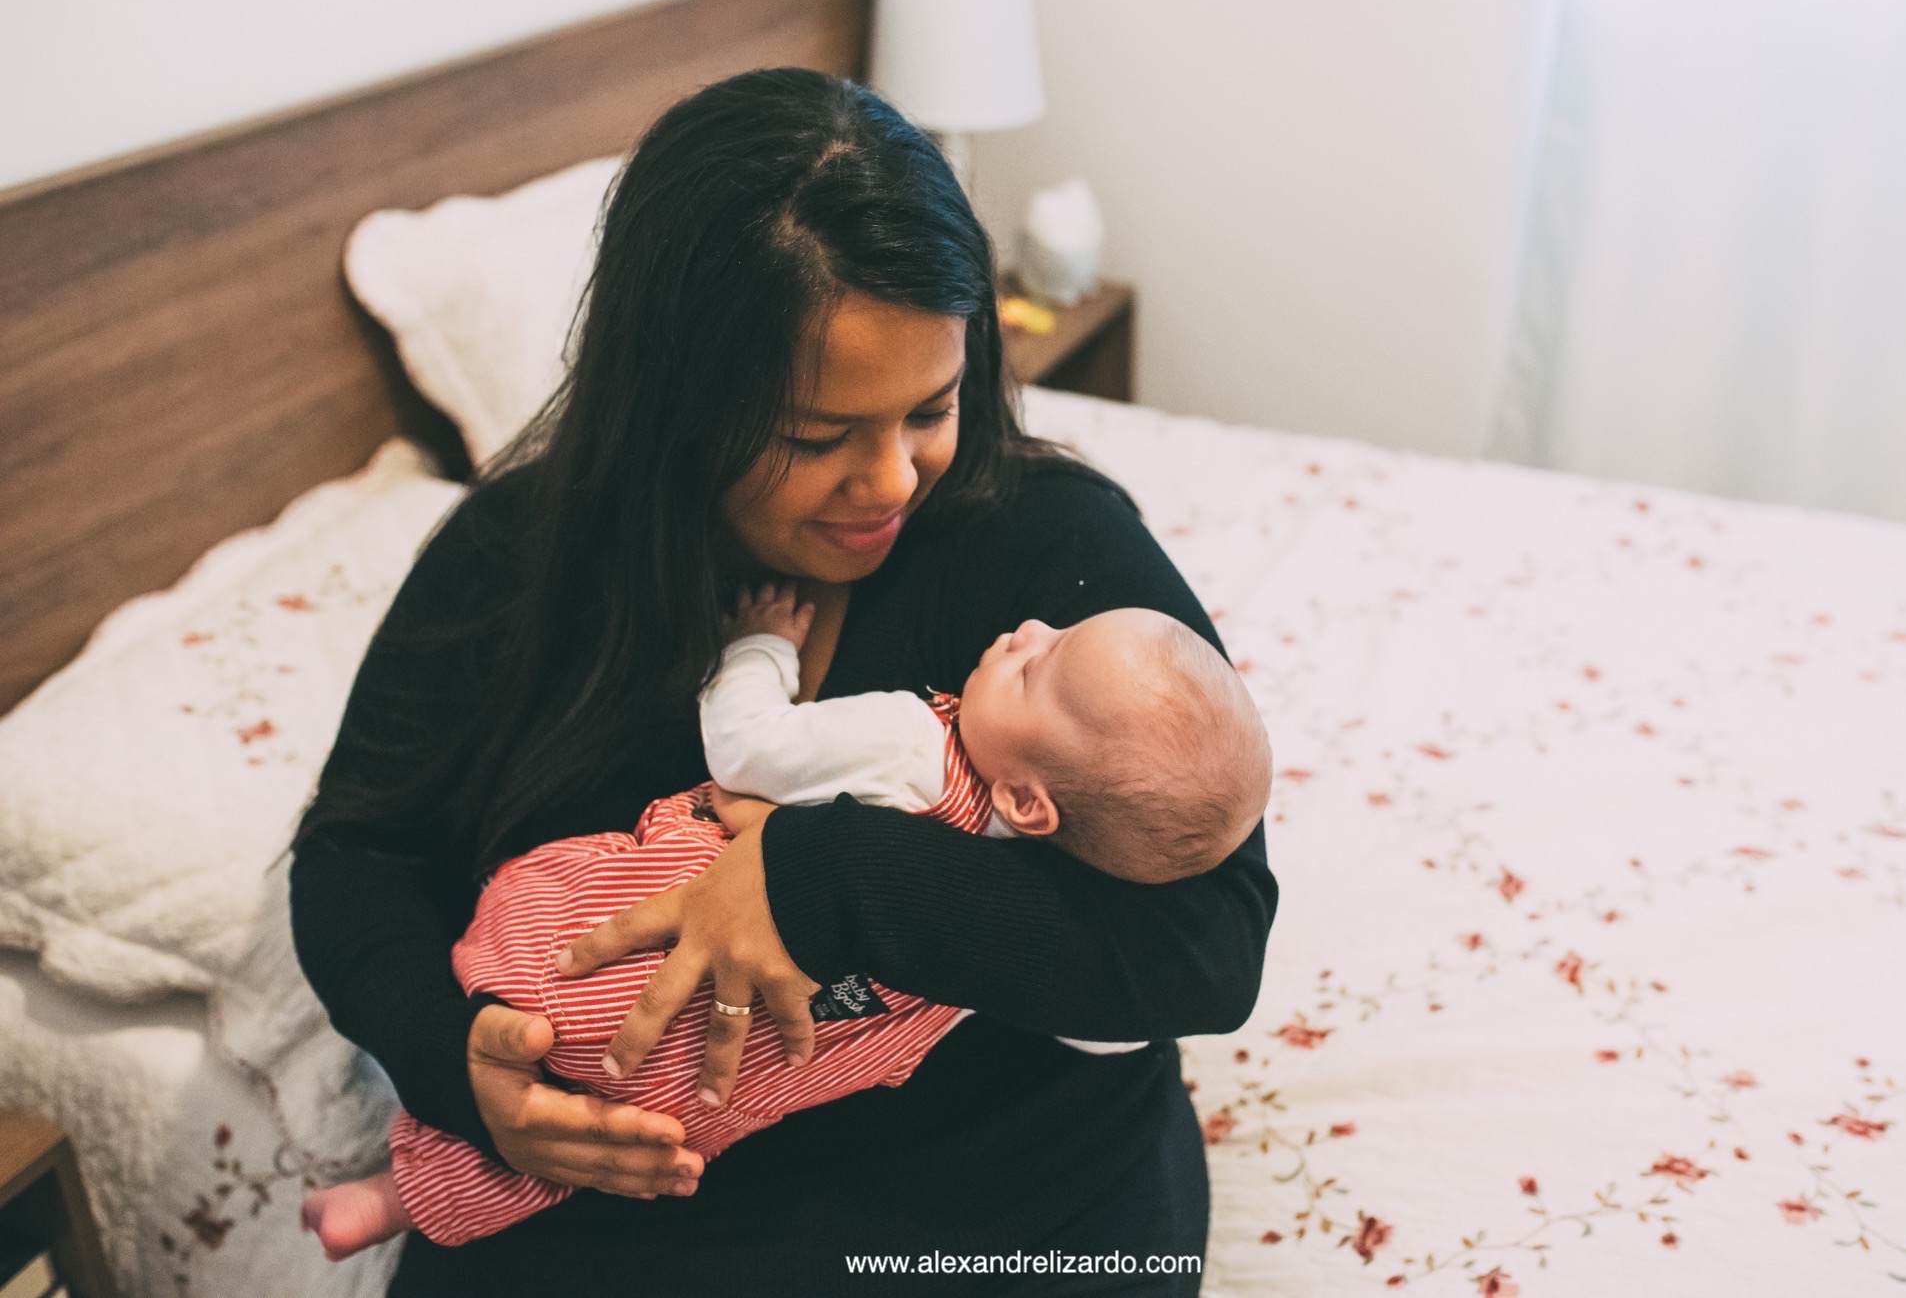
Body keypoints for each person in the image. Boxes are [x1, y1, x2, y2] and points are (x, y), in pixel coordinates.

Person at [289, 66, 1278, 1295]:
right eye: (816, 437)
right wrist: (456, 1060)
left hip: (1005, 1186)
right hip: (634, 1193)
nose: (891, 482)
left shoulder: (1044, 548)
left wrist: (825, 879)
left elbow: (1211, 945)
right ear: (671, 404)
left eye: (930, 406)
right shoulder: (518, 563)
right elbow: (358, 860)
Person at [301, 586, 1271, 1257]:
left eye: (1038, 664)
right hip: (711, 1074)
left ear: (1029, 800)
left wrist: (757, 644)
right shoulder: (1028, 891)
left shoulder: (909, 742)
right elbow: (1104, 1022)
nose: (1022, 625)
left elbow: (746, 743)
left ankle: (400, 1164)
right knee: (602, 1143)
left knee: (538, 1017)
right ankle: (396, 1199)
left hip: (607, 952)